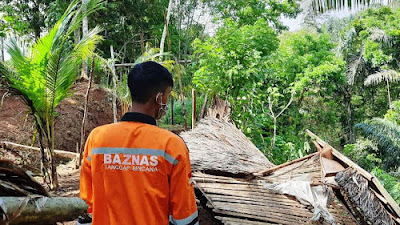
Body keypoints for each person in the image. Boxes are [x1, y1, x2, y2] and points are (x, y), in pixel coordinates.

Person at [79, 61, 198, 225]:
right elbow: (185, 217)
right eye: (167, 96)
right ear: (159, 98)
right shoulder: (172, 145)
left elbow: (86, 206)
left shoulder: (97, 138)